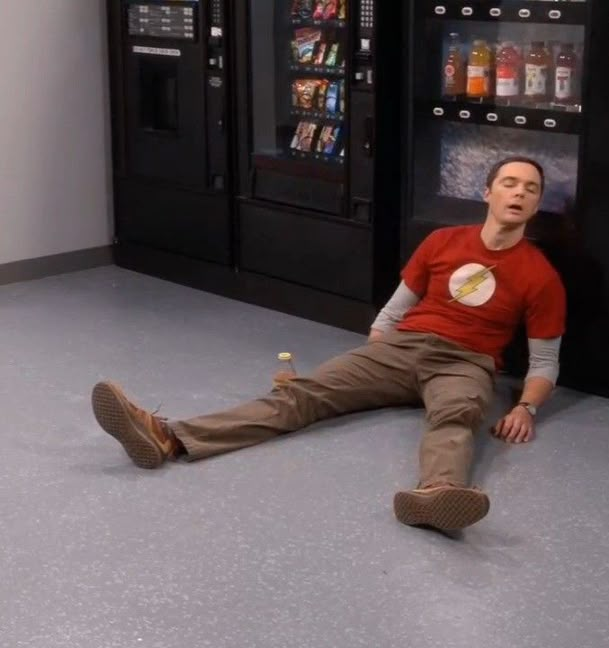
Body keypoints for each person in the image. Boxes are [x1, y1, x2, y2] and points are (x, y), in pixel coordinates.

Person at [91, 156, 566, 532]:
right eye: (509, 183)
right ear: (487, 192)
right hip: (404, 345)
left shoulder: (539, 275)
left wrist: (526, 407)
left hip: (466, 363)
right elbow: (395, 309)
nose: (519, 193)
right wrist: (378, 351)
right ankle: (168, 436)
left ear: (537, 204)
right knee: (303, 393)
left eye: (530, 188)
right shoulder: (444, 241)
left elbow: (545, 361)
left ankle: (435, 495)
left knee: (456, 416)